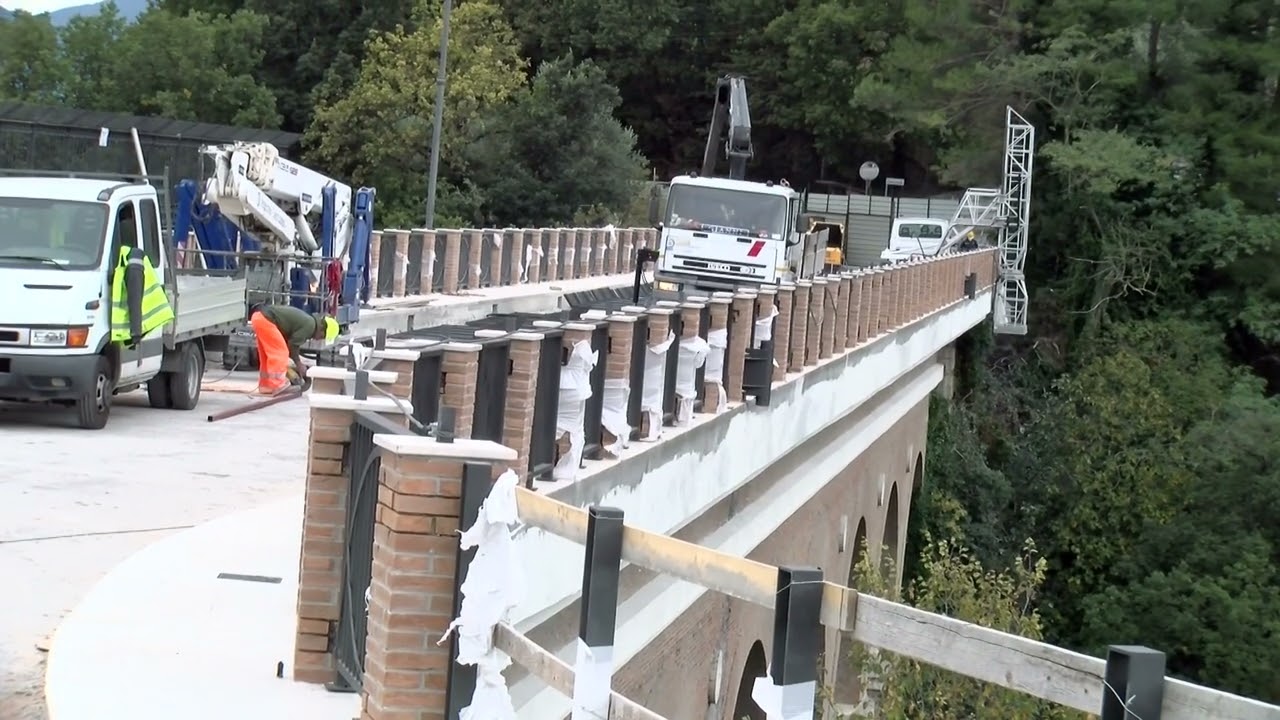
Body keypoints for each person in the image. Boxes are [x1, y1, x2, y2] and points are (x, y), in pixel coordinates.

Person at [249, 304, 339, 395]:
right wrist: (298, 363)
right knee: (280, 353)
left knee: (267, 356)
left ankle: (266, 386)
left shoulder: (308, 321)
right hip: (266, 319)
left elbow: (289, 341)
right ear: (322, 330)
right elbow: (293, 345)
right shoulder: (310, 326)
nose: (319, 339)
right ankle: (277, 385)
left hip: (260, 317)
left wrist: (294, 363)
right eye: (323, 337)